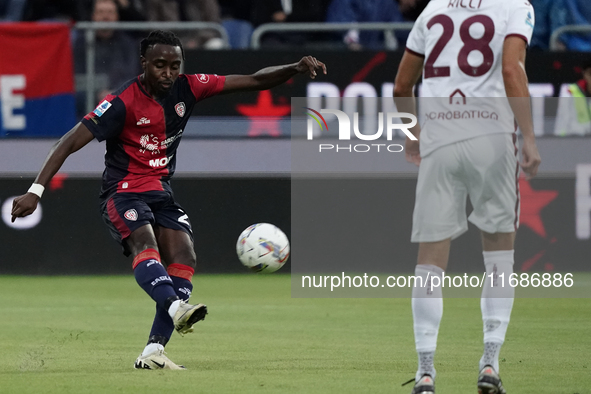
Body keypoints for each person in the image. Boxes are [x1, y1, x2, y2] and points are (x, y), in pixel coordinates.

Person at [11, 30, 326, 370]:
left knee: (184, 254)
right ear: (143, 63)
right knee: (144, 241)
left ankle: (153, 352)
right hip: (123, 191)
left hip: (160, 191)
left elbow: (252, 80)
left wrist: (293, 67)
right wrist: (35, 190)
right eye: (160, 65)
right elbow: (69, 141)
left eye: (175, 65)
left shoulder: (188, 87)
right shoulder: (121, 102)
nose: (168, 73)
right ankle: (177, 309)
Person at [393, 1, 541, 393]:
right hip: (491, 137)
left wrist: (412, 139)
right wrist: (528, 135)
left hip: (441, 138)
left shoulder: (433, 9)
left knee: (430, 262)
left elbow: (401, 87)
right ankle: (489, 364)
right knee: (498, 257)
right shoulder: (515, 6)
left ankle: (425, 372)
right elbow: (512, 69)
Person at [73, 0, 140, 117]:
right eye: (101, 12)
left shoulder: (128, 44)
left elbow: (132, 76)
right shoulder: (81, 43)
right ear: (93, 16)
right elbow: (77, 77)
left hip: (121, 104)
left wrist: (113, 94)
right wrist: (97, 95)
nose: (105, 16)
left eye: (110, 12)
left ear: (117, 16)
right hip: (87, 107)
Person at [554, 60, 591, 136]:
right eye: (590, 74)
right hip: (575, 141)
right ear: (584, 74)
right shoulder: (570, 92)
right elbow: (562, 124)